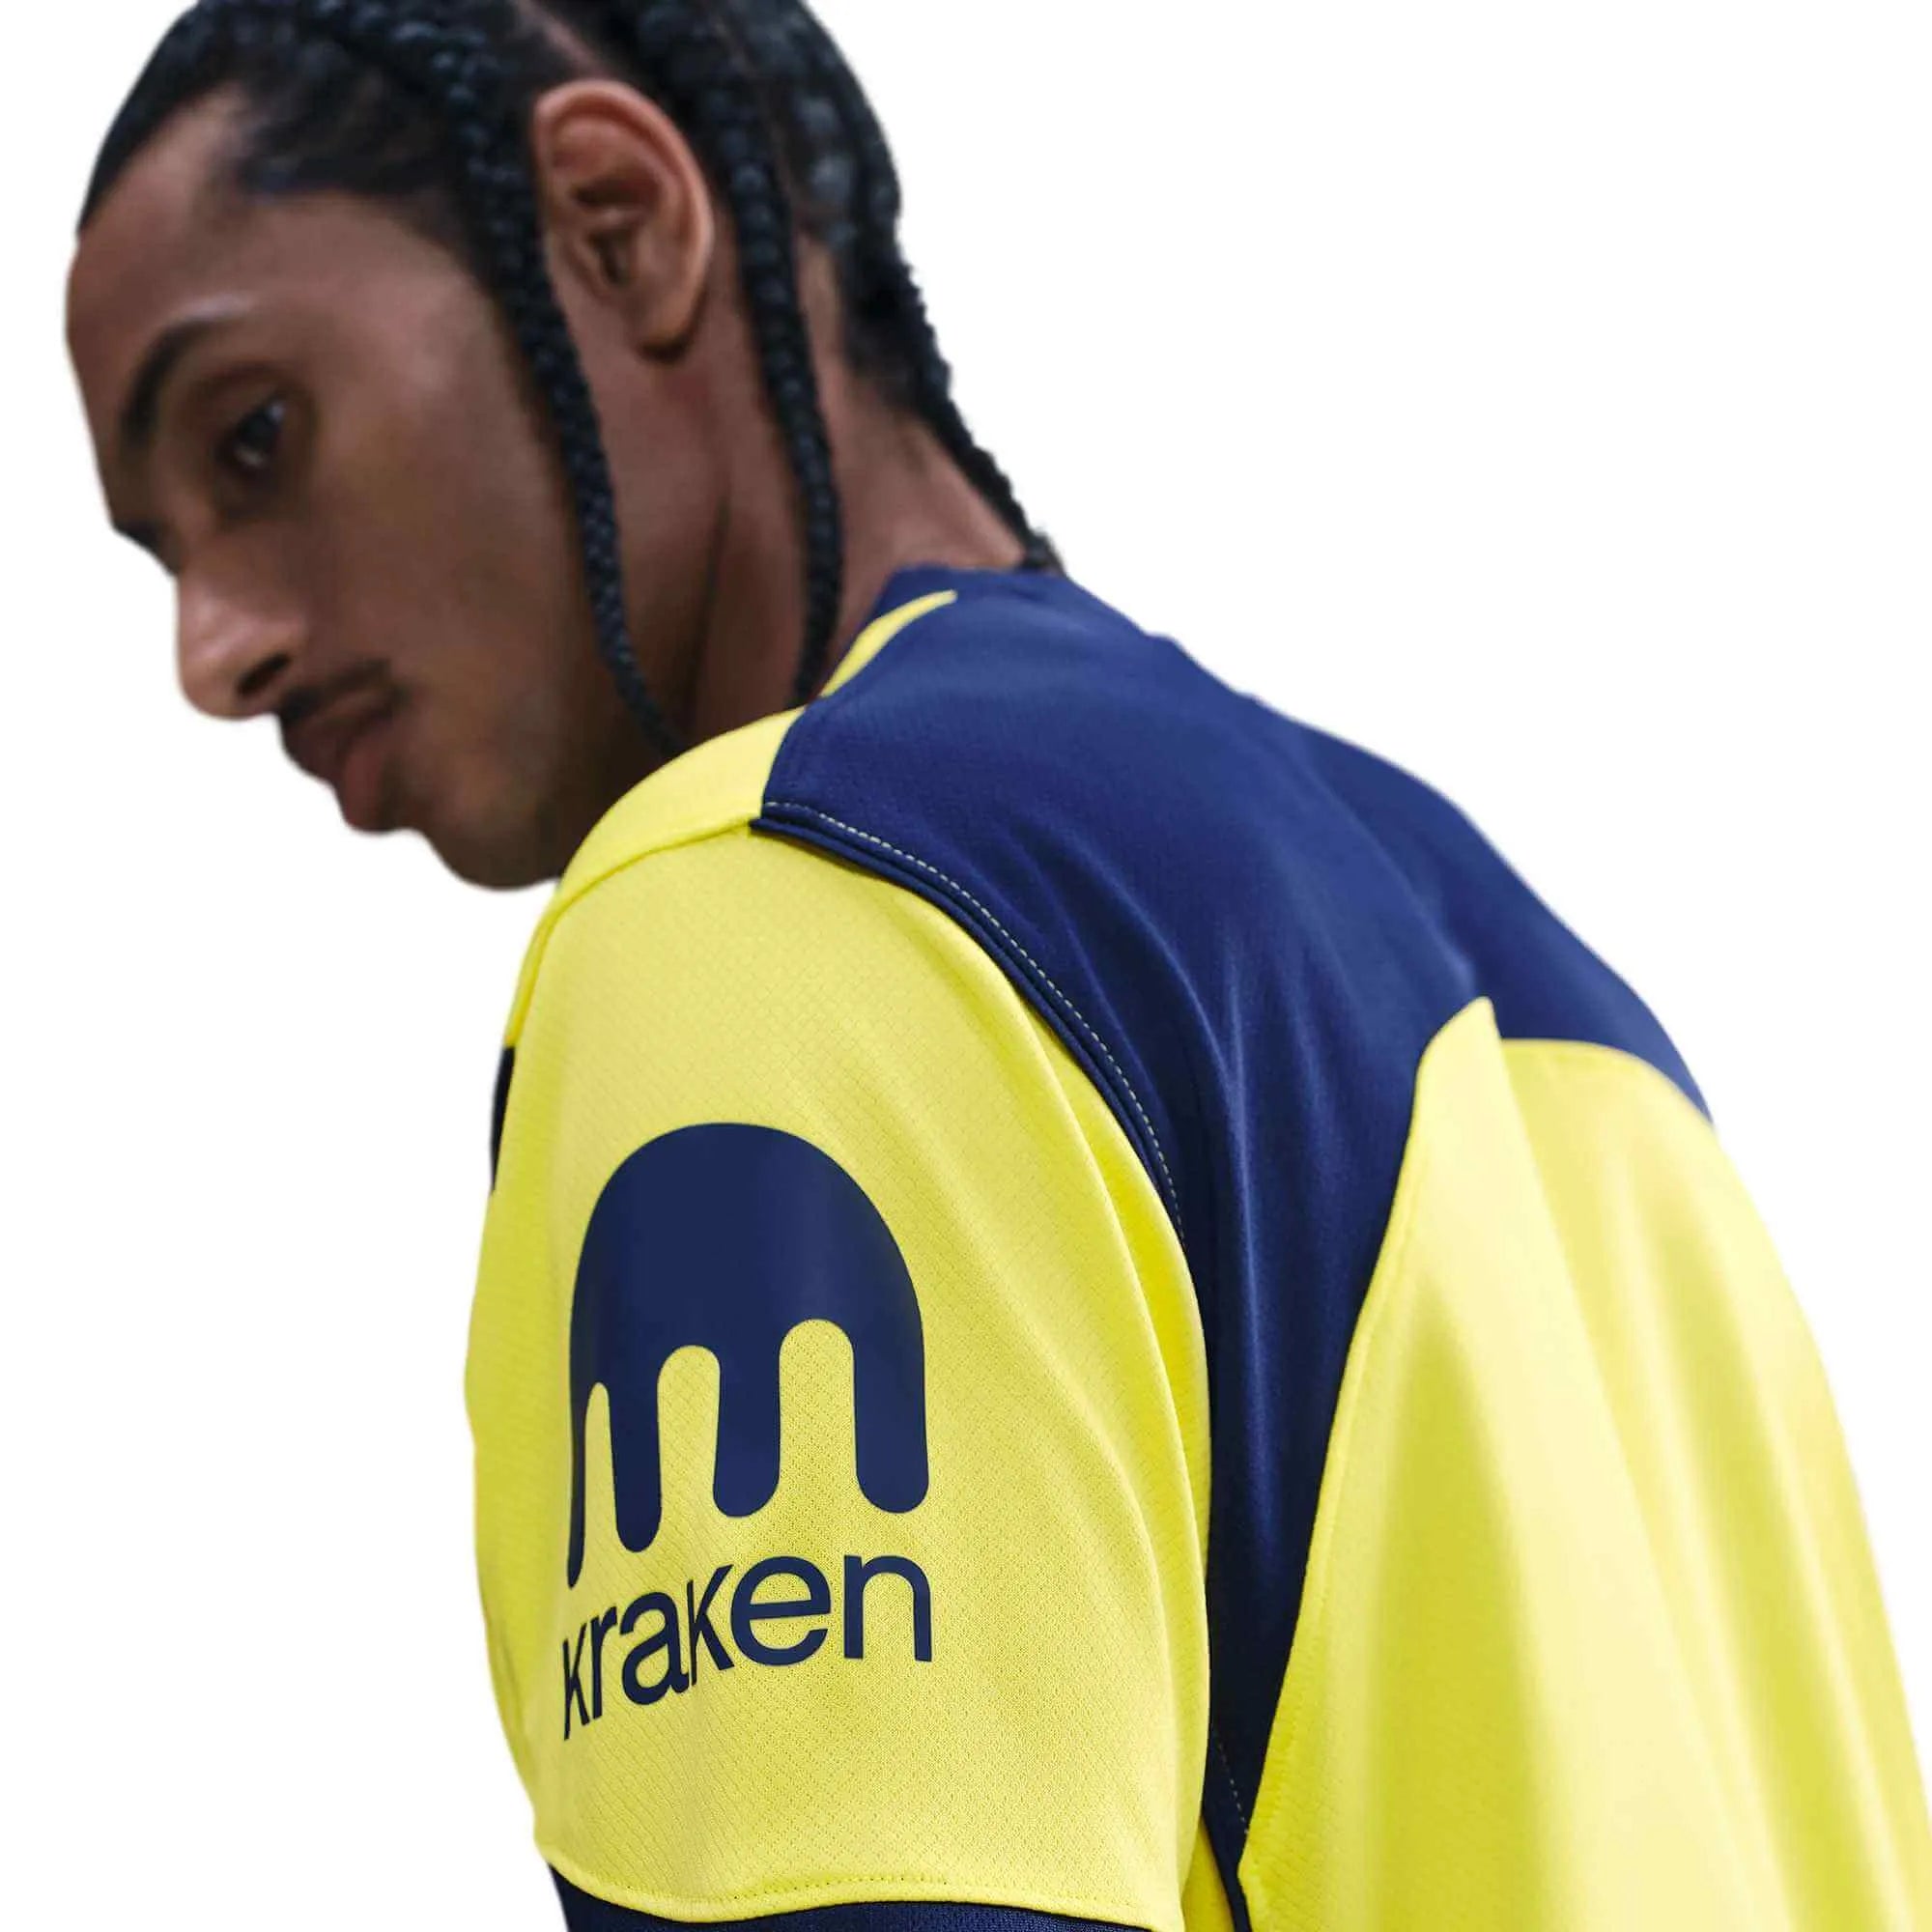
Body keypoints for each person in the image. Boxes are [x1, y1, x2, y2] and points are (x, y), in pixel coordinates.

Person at [65, 2, 1932, 1927]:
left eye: (255, 438)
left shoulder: (781, 903)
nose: (215, 654)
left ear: (616, 225)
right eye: (160, 553)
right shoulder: (1560, 1008)